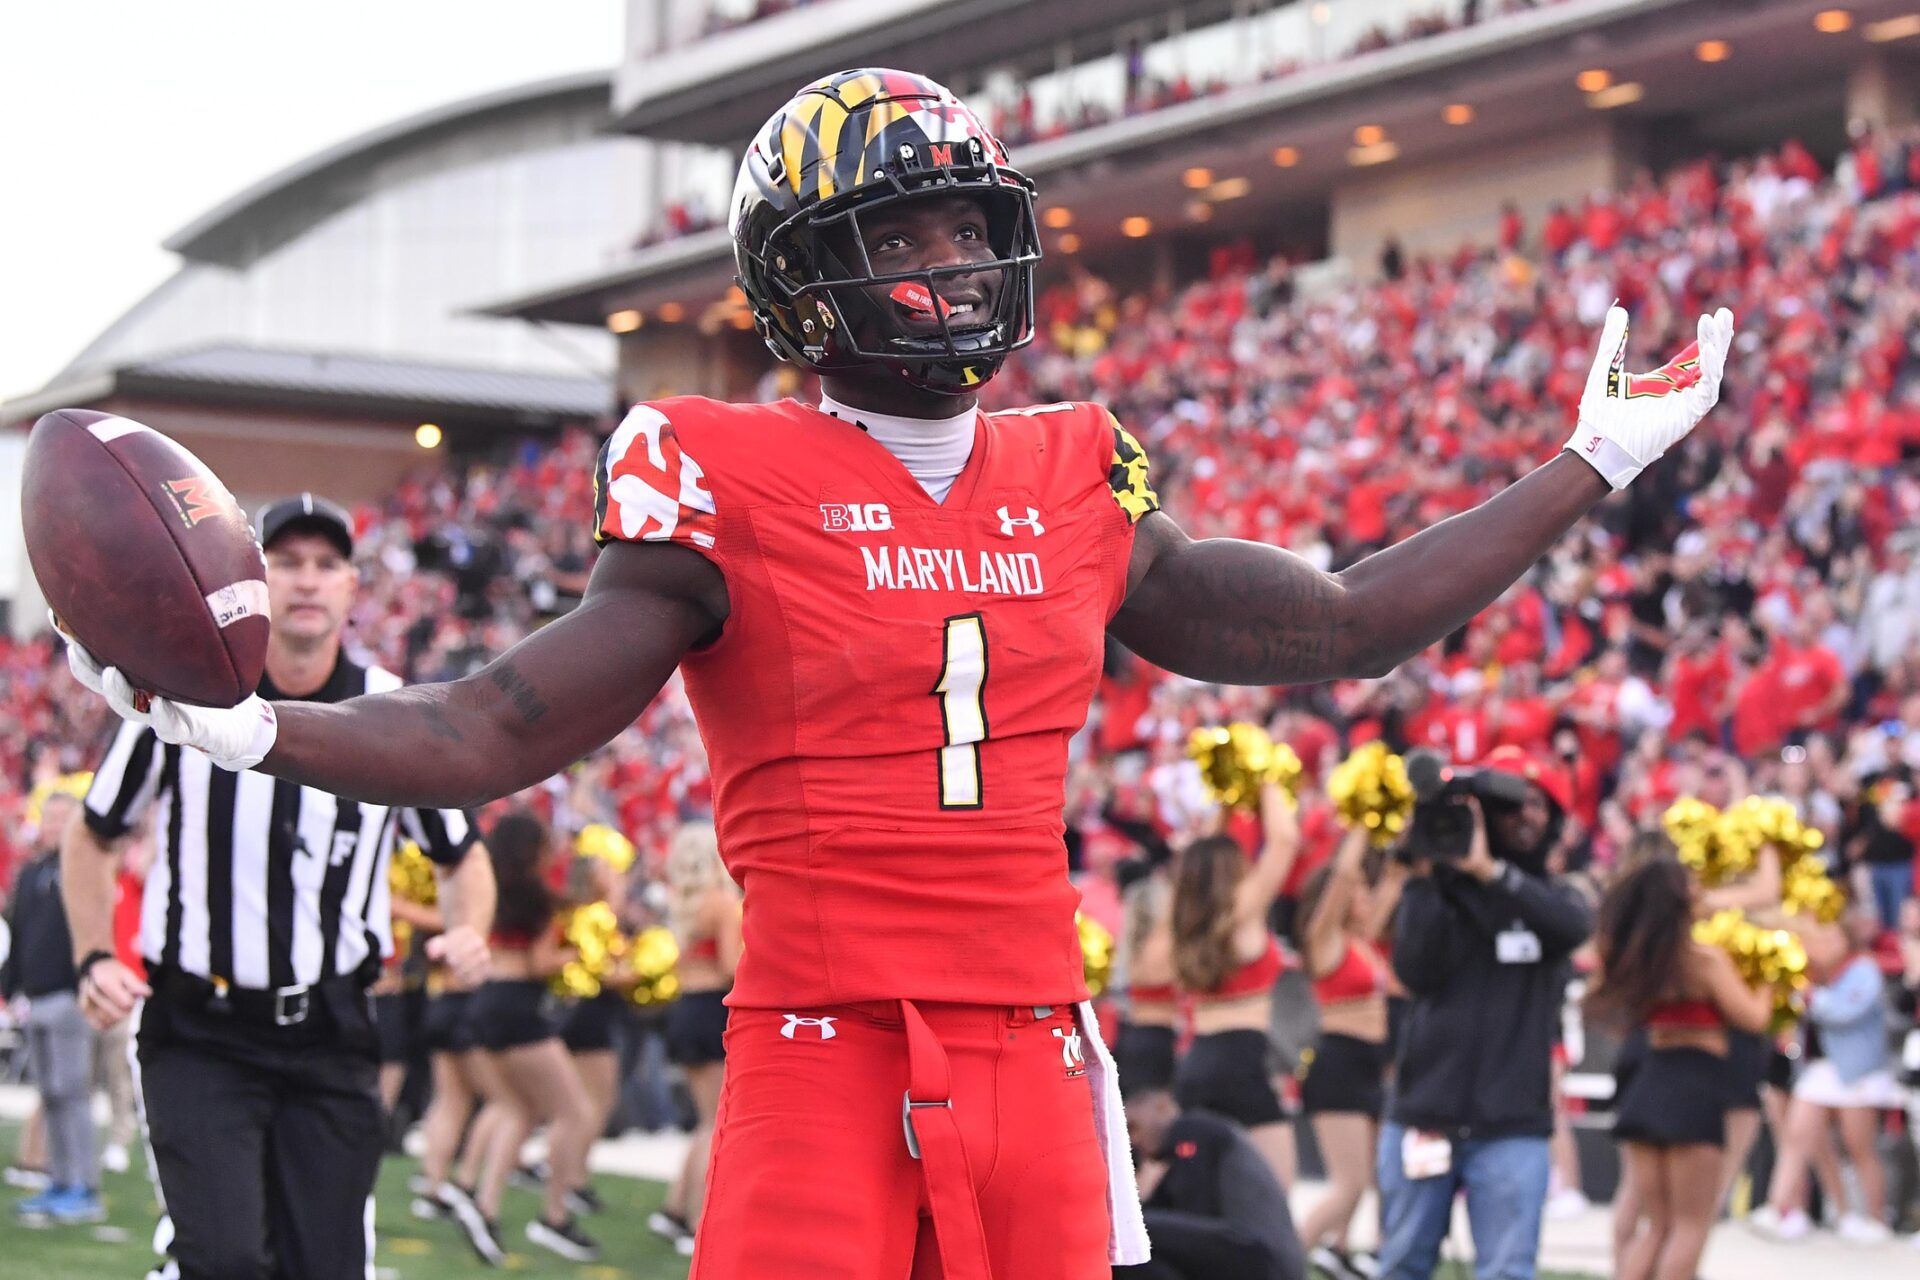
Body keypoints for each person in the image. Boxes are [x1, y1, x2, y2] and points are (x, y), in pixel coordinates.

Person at [61, 68, 1732, 1280]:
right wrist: (254, 723)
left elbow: (1341, 620)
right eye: (906, 228)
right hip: (815, 1039)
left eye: (967, 222)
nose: (953, 258)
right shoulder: (710, 462)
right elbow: (497, 723)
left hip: (1038, 1048)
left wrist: (1588, 461)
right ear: (804, 275)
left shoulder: (1084, 467)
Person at [60, 494, 496, 1280]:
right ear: (253, 582)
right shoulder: (183, 692)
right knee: (223, 1260)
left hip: (332, 1030)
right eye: (285, 562)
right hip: (203, 1026)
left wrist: (469, 928)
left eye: (326, 564)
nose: (306, 581)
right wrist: (94, 955)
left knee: (325, 1267)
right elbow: (91, 833)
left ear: (354, 587)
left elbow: (461, 852)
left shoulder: (397, 709)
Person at [1376, 747, 1595, 1280]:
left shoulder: (1552, 897)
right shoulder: (1438, 891)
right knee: (1402, 1263)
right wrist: (1427, 871)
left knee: (1506, 1271)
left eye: (1541, 805)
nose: (1526, 816)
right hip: (1424, 1115)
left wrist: (1491, 873)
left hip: (1512, 1125)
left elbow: (1572, 928)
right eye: (1514, 803)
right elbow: (1415, 970)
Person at [1587, 848, 1770, 1280]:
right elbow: (1753, 1017)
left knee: (1657, 1227)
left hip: (1644, 1087)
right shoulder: (1702, 959)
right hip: (1692, 1090)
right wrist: (1765, 980)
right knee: (1691, 1227)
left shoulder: (1635, 960)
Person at [448, 811, 601, 1264]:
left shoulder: (487, 886)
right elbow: (538, 964)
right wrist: (578, 954)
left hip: (486, 1000)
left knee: (516, 1108)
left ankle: (484, 1207)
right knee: (573, 1111)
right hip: (518, 1006)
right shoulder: (536, 896)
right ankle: (554, 1216)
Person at [1170, 784, 1300, 1189]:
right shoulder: (1242, 908)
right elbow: (1285, 841)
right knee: (1277, 1191)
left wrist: (1228, 794)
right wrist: (1265, 780)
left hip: (1197, 1062)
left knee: (1210, 1194)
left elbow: (1202, 854)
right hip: (1243, 1058)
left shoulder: (1187, 915)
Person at [1294, 826, 1403, 1280]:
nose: (1363, 896)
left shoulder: (1364, 942)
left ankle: (1341, 1255)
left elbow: (1394, 883)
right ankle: (1282, 1261)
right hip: (1336, 1063)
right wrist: (1357, 826)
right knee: (1348, 1186)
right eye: (1357, 890)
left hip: (1368, 1067)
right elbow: (1340, 878)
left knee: (1378, 1184)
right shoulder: (1326, 942)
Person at [1757, 914, 1899, 1244]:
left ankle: (1876, 1219)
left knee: (1858, 1146)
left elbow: (1844, 1013)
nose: (1820, 945)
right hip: (1819, 1070)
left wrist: (1809, 996)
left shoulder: (1863, 969)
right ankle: (1779, 1208)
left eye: (1828, 938)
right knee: (1797, 1138)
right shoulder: (1811, 975)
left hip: (1856, 1070)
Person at [2, 791, 104, 1225]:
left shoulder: (81, 871)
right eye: (50, 818)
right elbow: (18, 933)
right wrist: (7, 991)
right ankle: (60, 1179)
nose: (54, 826)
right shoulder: (32, 874)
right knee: (49, 1095)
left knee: (71, 1095)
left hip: (68, 996)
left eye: (64, 818)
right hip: (36, 998)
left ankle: (84, 1184)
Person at [649, 821, 740, 1257]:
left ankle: (673, 1208)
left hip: (684, 1010)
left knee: (705, 1120)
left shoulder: (681, 905)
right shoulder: (722, 903)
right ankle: (698, 1218)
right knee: (716, 1122)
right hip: (711, 1011)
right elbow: (731, 968)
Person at [1116, 1081, 1305, 1280]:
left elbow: (1196, 1211)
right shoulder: (1181, 1155)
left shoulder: (1191, 1131)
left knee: (1128, 1229)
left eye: (1133, 1127)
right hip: (1251, 1256)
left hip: (1262, 1258)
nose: (1132, 1140)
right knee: (1130, 1245)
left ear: (1162, 1107)